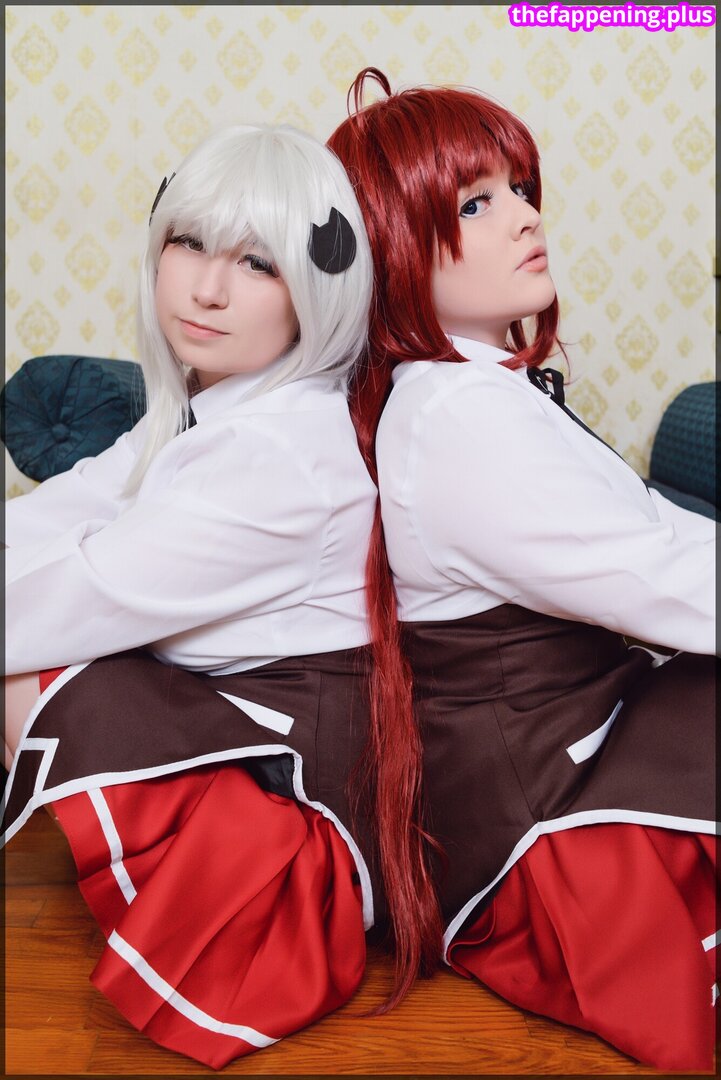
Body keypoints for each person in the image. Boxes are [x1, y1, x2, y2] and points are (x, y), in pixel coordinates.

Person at [2, 121, 441, 1069]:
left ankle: (198, 918)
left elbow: (79, 592)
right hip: (244, 737)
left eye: (256, 262)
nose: (205, 288)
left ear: (319, 287)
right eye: (189, 242)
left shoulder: (280, 454)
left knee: (28, 670)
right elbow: (58, 515)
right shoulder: (214, 409)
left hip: (303, 815)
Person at [327, 68, 717, 1072]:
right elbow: (664, 581)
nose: (526, 217)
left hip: (567, 757)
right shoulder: (457, 419)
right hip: (544, 832)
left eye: (519, 189)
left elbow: (658, 541)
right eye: (474, 203)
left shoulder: (472, 391)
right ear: (395, 244)